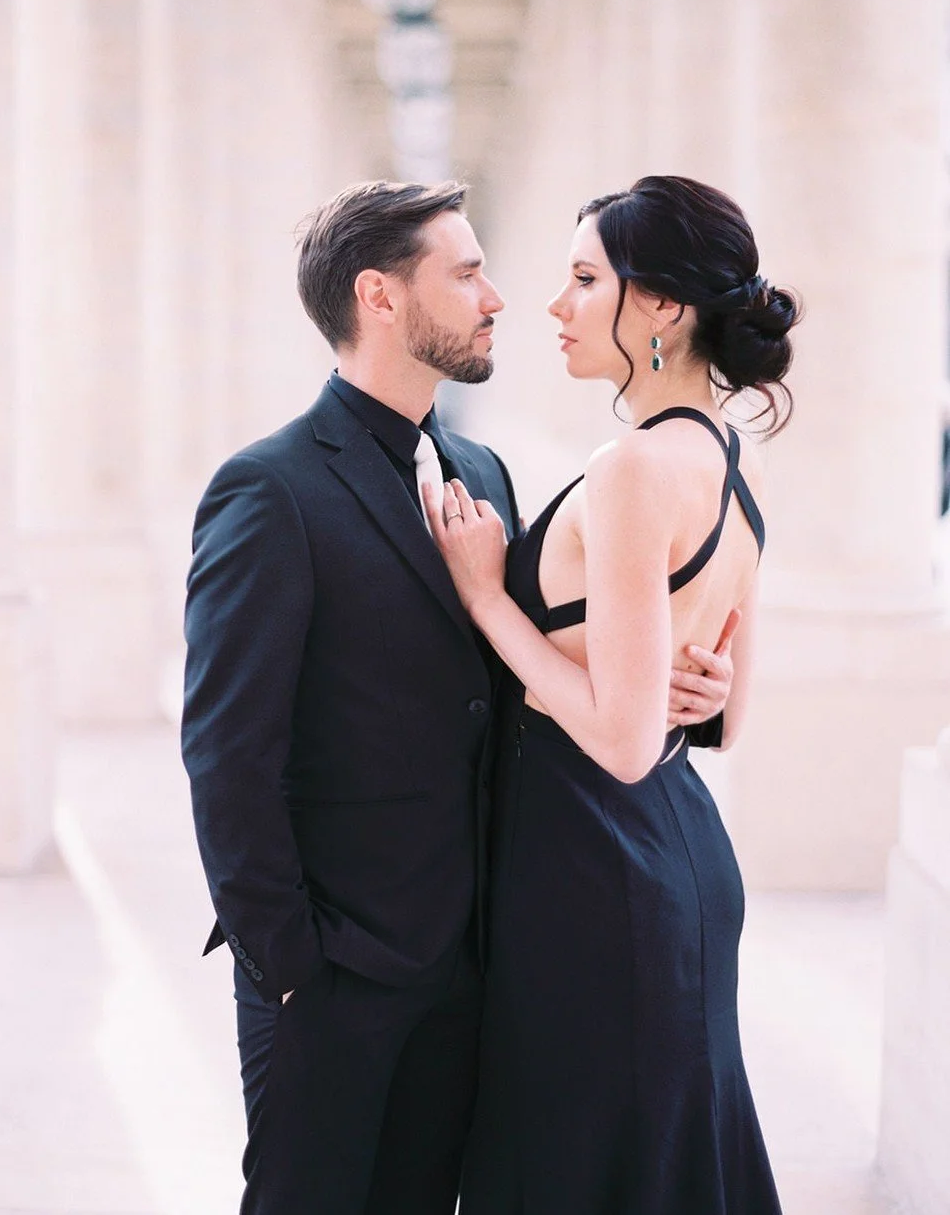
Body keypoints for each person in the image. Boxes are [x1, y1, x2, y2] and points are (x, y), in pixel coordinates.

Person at [180, 180, 734, 1215]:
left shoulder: (483, 470)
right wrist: (290, 965)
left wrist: (672, 682)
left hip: (478, 967)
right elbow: (225, 754)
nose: (498, 298)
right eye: (467, 272)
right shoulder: (271, 490)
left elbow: (521, 679)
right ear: (381, 298)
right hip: (334, 978)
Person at [424, 175, 796, 1215]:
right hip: (672, 856)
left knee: (580, 1168)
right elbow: (723, 709)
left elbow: (627, 743)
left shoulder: (631, 467)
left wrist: (489, 601)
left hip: (595, 867)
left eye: (587, 278)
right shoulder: (732, 460)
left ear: (665, 308)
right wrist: (686, 675)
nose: (554, 304)